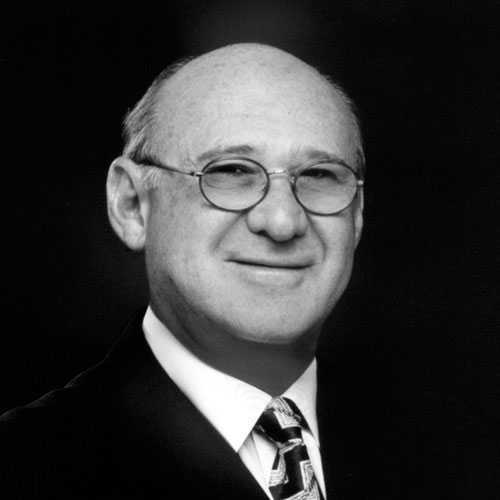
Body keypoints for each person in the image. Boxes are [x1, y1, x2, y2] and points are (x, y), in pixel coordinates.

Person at [0, 43, 497, 500]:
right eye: (231, 171)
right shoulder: (25, 468)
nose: (282, 221)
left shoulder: (462, 450)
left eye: (319, 175)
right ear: (132, 205)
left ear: (358, 215)